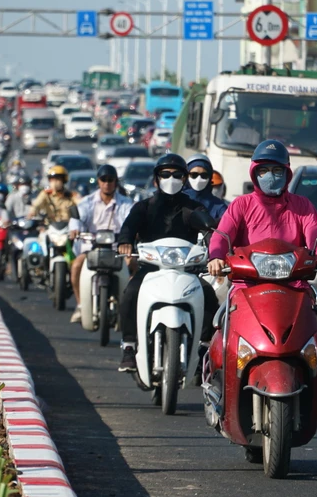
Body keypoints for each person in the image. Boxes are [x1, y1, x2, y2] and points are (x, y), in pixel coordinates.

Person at [114, 154, 218, 373]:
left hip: (186, 271)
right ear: (156, 179)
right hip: (151, 269)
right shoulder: (144, 207)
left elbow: (208, 229)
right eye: (165, 174)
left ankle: (203, 349)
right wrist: (125, 241)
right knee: (130, 293)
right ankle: (130, 347)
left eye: (177, 175)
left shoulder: (192, 207)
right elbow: (129, 227)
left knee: (208, 294)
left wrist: (215, 250)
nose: (171, 179)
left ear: (184, 179)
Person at [206, 139, 317, 280]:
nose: (270, 176)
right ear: (254, 174)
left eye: (277, 170)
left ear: (287, 173)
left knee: (312, 301)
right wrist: (216, 257)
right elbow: (222, 234)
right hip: (247, 283)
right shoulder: (241, 204)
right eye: (263, 171)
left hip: (293, 284)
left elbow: (316, 234)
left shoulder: (302, 205)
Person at [68, 164, 134, 324]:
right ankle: (81, 305)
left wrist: (132, 234)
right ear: (98, 181)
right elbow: (76, 219)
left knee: (133, 264)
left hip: (118, 247)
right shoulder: (87, 202)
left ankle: (130, 306)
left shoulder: (126, 203)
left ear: (116, 182)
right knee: (76, 265)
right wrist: (75, 230)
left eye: (110, 180)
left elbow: (132, 221)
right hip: (92, 247)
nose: (107, 183)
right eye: (103, 180)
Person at [183, 154, 228, 221]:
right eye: (194, 175)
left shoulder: (219, 207)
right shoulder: (176, 199)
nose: (199, 179)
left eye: (204, 175)